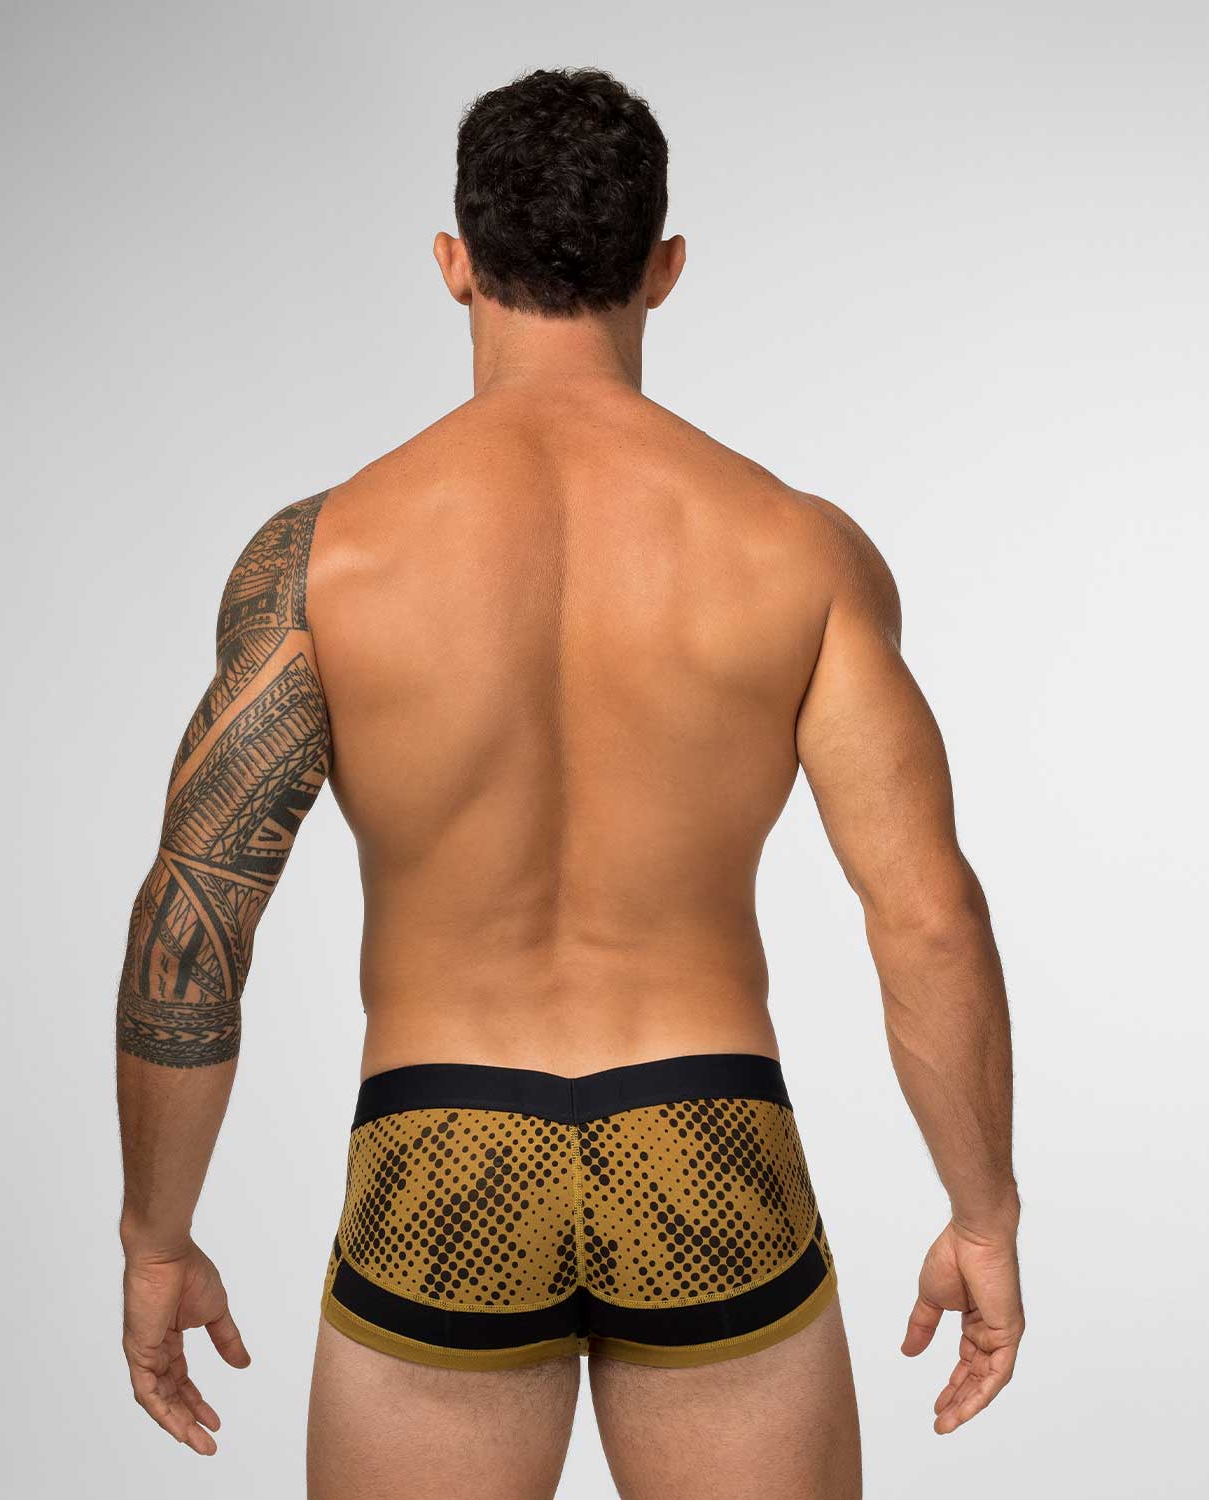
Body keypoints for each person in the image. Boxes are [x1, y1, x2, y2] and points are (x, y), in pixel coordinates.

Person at [115, 67, 1023, 1500]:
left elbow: (196, 918)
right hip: (706, 1133)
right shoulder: (796, 550)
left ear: (453, 263)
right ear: (663, 268)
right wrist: (984, 1215)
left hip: (440, 1144)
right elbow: (926, 915)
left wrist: (155, 1241)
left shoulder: (325, 557)